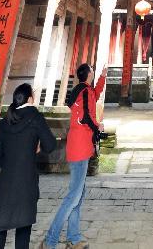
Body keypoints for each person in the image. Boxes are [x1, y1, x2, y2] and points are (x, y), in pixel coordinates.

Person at [40, 62, 107, 249]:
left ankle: (74, 239)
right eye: (93, 72)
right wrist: (98, 128)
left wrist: (103, 76)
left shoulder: (84, 90)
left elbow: (95, 94)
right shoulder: (84, 93)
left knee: (79, 195)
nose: (93, 73)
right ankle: (50, 240)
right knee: (73, 197)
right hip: (80, 147)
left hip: (80, 146)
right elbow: (85, 117)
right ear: (88, 74)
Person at [0, 83, 57, 249]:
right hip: (26, 180)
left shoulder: (6, 121)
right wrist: (33, 151)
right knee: (24, 224)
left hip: (6, 181)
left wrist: (12, 160)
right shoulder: (35, 117)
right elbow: (50, 145)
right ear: (30, 98)